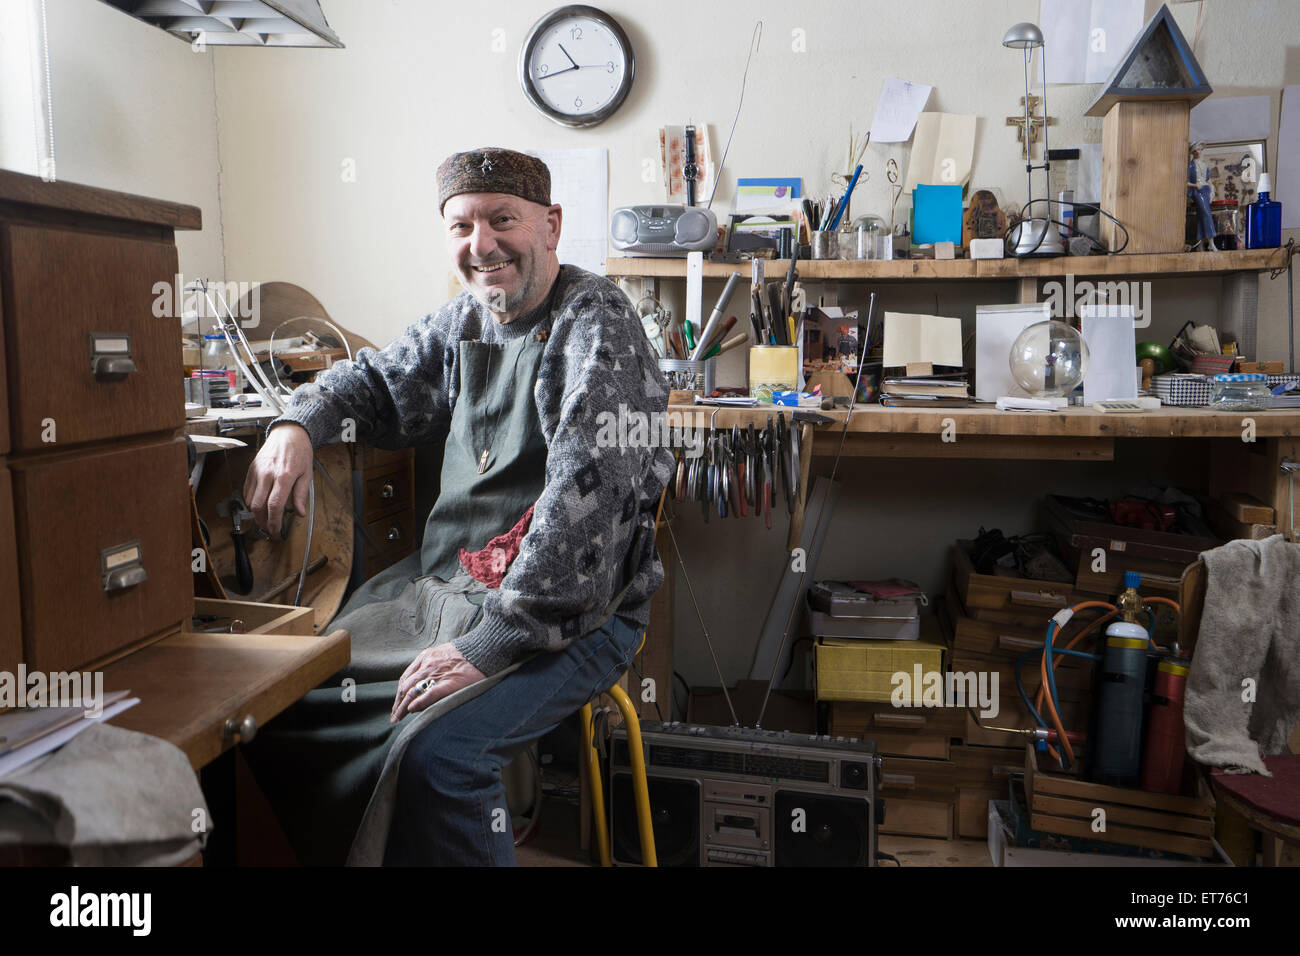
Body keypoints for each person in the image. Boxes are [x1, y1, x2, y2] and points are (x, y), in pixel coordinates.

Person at [240, 147, 673, 865]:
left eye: (503, 219)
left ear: (551, 225)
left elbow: (584, 505)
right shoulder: (462, 323)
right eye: (461, 225)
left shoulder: (597, 324)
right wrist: (297, 425)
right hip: (446, 585)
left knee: (439, 759)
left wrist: (492, 645)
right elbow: (373, 381)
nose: (482, 245)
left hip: (573, 612)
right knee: (279, 698)